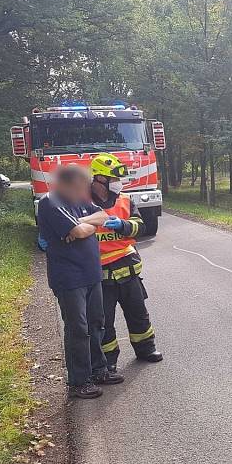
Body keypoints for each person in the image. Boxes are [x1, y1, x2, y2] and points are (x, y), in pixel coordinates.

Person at [37, 164, 124, 399]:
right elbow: (78, 232)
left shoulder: (79, 200)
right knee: (78, 329)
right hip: (69, 277)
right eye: (79, 186)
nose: (84, 191)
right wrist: (84, 225)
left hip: (91, 273)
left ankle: (99, 370)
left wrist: (83, 222)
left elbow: (103, 215)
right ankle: (79, 381)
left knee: (96, 323)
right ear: (65, 184)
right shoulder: (49, 202)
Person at [89, 153, 163, 372]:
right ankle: (108, 361)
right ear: (99, 179)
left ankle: (146, 349)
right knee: (103, 322)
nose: (117, 183)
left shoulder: (124, 200)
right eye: (114, 178)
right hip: (101, 277)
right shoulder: (82, 203)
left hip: (128, 271)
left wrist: (122, 225)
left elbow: (141, 227)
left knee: (138, 314)